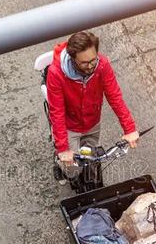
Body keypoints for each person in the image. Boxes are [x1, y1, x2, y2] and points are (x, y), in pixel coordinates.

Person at [46, 31, 139, 179]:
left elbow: (114, 96)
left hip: (92, 123)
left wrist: (129, 128)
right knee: (73, 171)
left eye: (93, 60)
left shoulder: (102, 65)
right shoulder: (56, 73)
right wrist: (63, 148)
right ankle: (57, 159)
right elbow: (57, 112)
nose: (90, 67)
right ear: (72, 59)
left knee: (89, 156)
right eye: (84, 63)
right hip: (70, 126)